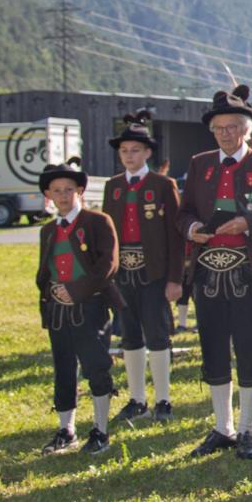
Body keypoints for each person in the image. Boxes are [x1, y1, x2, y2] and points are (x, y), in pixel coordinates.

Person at [176, 85, 252, 460]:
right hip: (208, 272)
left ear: (247, 129)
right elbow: (184, 213)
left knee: (248, 348)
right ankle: (221, 427)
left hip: (250, 270)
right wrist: (192, 229)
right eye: (218, 129)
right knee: (213, 348)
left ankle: (246, 429)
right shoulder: (200, 164)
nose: (225, 134)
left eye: (231, 127)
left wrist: (247, 222)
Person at [102, 110, 184, 424]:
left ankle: (163, 399)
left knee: (158, 335)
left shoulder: (163, 185)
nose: (129, 156)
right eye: (124, 151)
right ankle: (137, 398)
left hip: (155, 273)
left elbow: (176, 238)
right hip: (123, 272)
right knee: (130, 336)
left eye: (135, 150)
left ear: (148, 152)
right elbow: (107, 235)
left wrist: (175, 278)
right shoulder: (113, 187)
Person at [35, 159, 119, 455]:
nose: (62, 195)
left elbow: (107, 264)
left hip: (89, 306)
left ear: (80, 191)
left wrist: (76, 291)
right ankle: (66, 429)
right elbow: (44, 272)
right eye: (56, 190)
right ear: (48, 195)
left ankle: (100, 430)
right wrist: (51, 296)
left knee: (95, 365)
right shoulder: (48, 231)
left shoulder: (97, 221)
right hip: (58, 311)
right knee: (63, 367)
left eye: (68, 189)